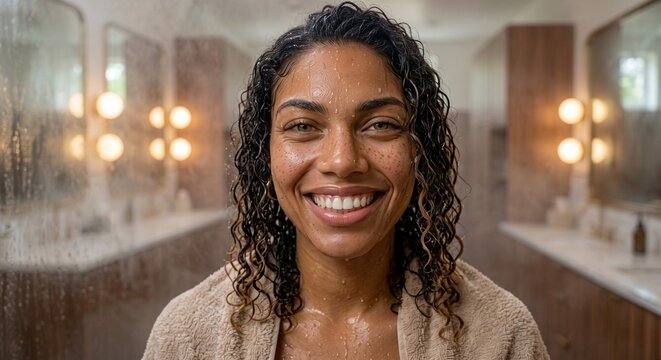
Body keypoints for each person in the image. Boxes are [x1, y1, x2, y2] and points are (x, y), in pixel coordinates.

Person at [142, 2, 549, 359]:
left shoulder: (499, 336)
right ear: (266, 152)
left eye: (380, 125)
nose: (342, 160)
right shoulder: (191, 336)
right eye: (302, 125)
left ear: (418, 149)